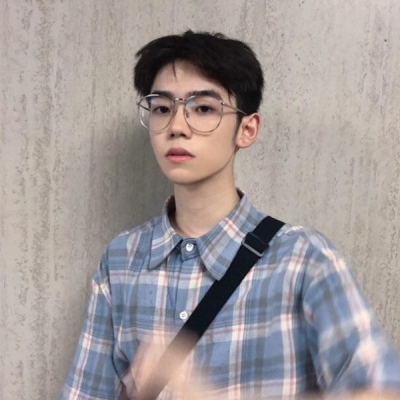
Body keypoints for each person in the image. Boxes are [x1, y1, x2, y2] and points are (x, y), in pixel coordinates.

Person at [60, 31, 400, 399]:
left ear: (247, 129)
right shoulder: (121, 261)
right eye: (162, 108)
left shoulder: (304, 260)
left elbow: (384, 391)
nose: (177, 127)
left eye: (203, 108)